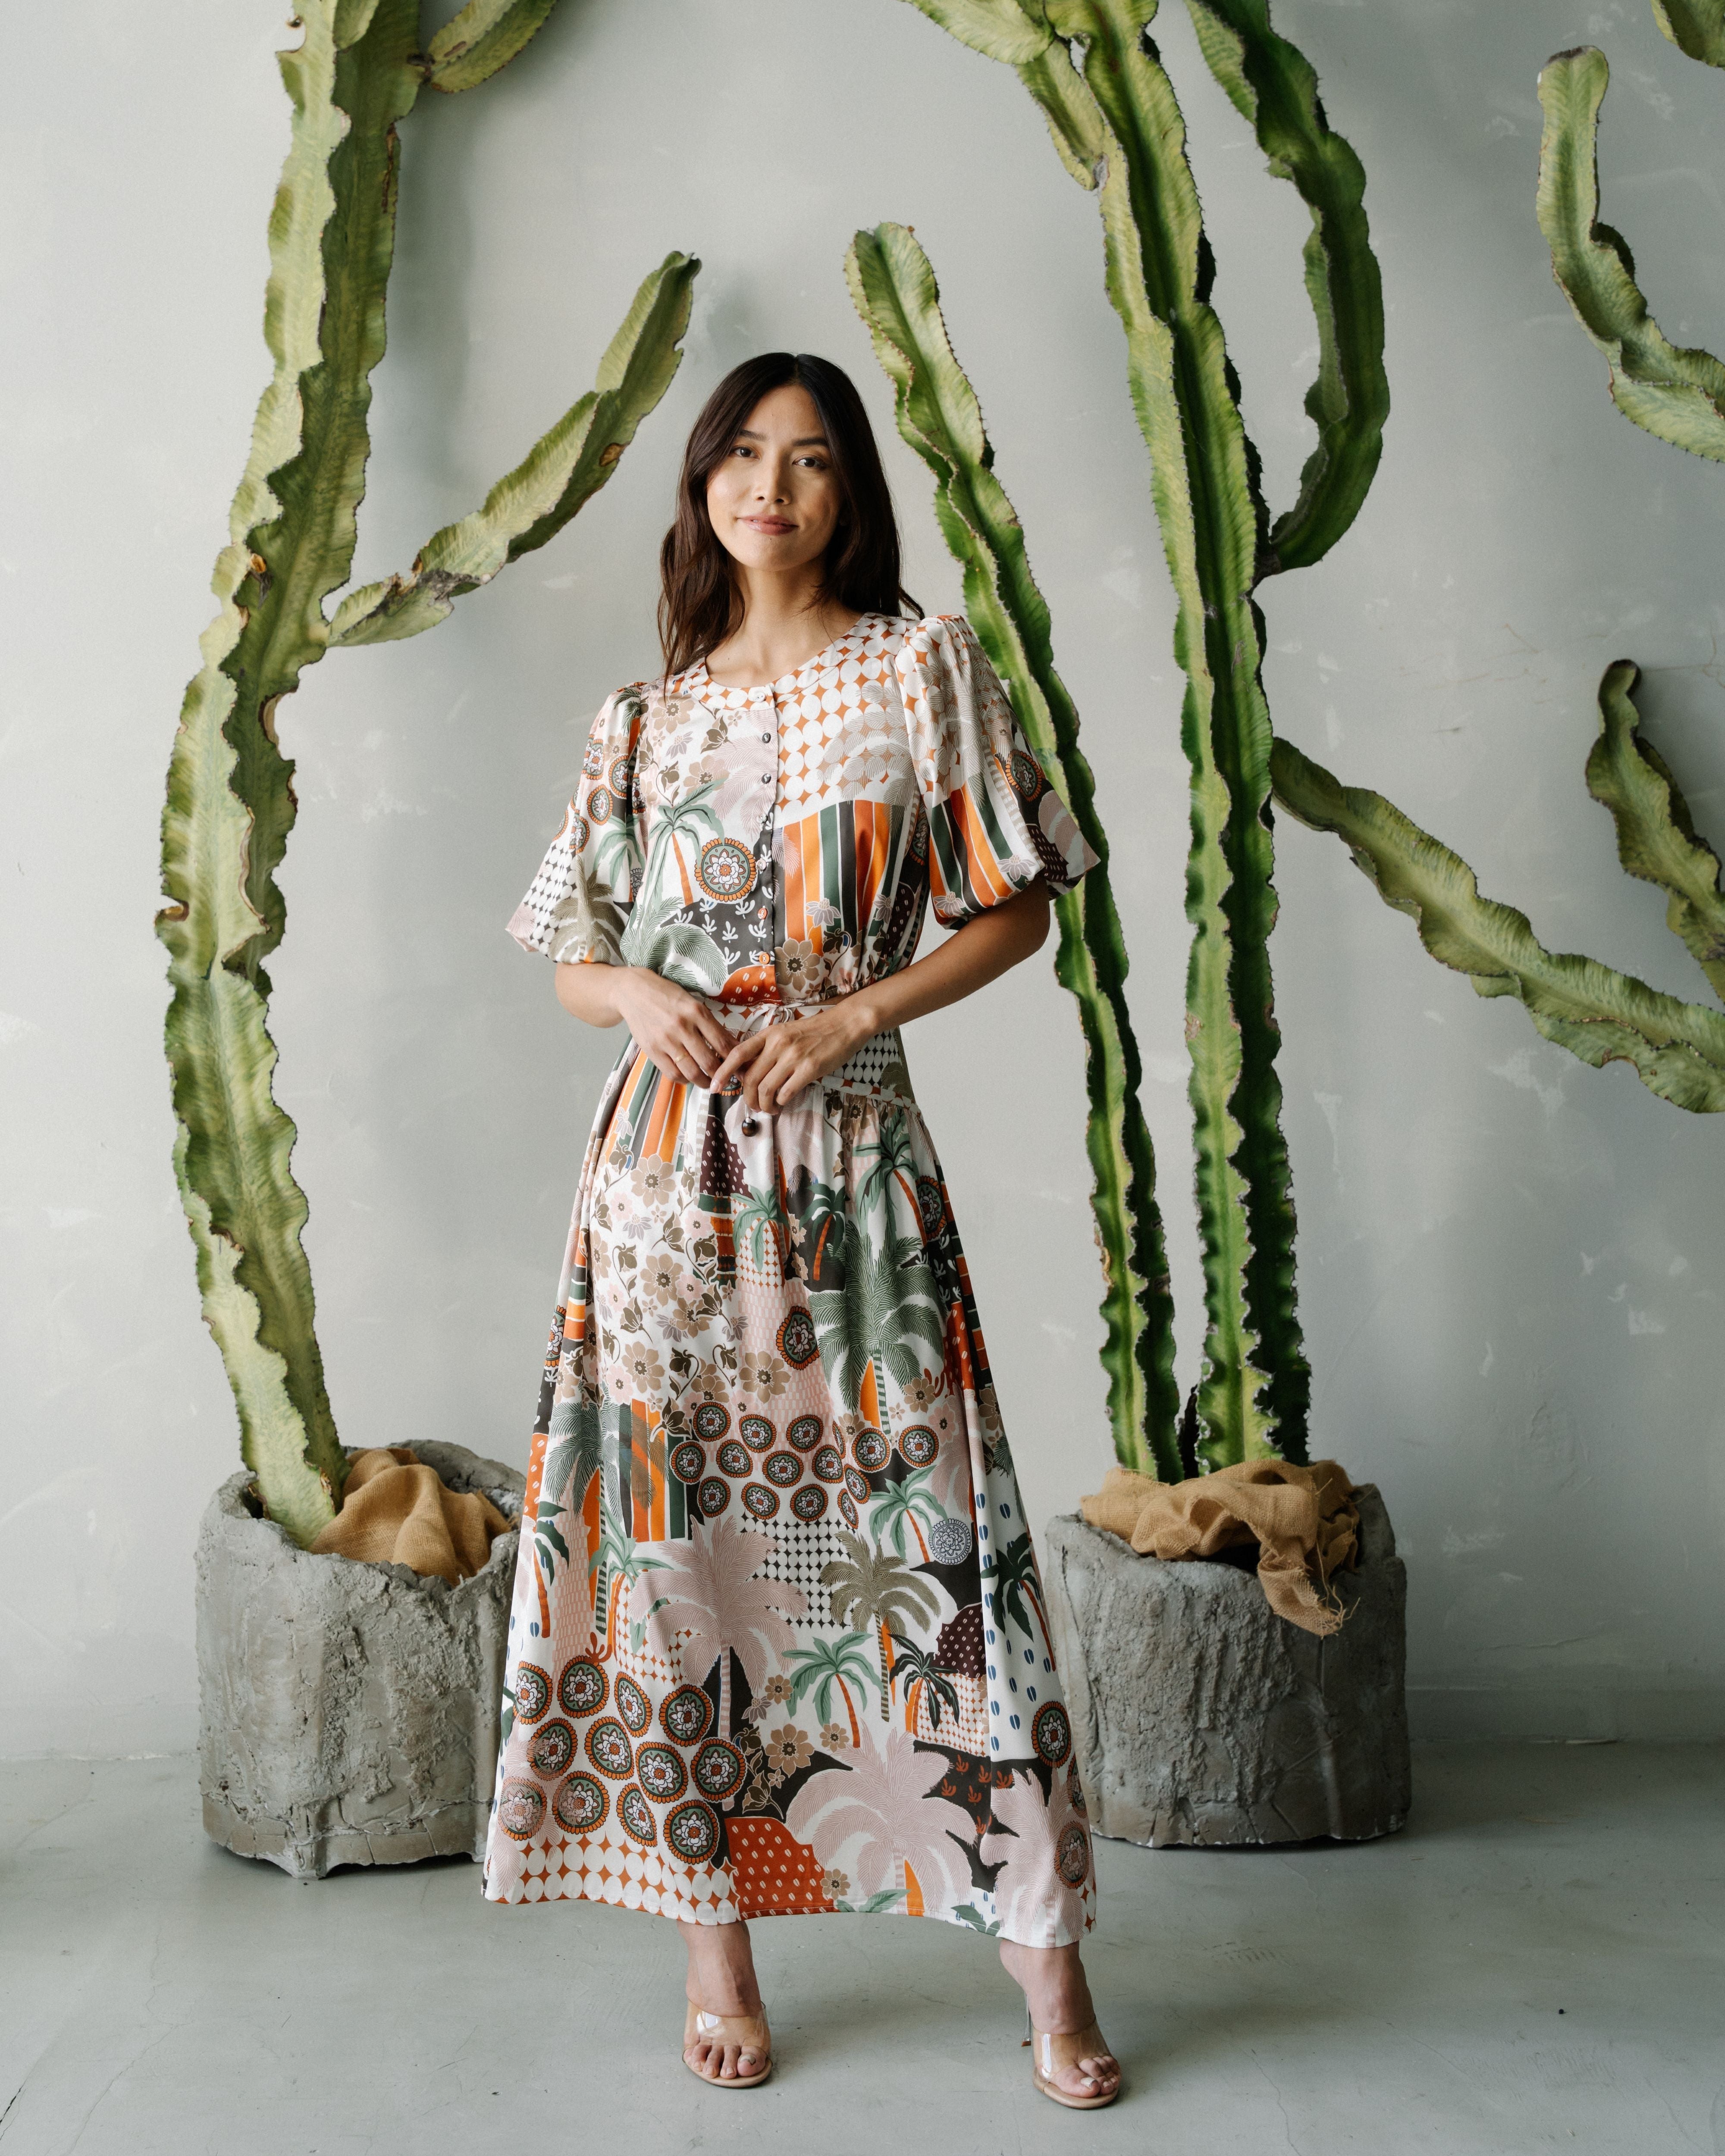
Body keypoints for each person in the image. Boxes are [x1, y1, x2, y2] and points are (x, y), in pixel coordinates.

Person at [482, 351, 1121, 2112]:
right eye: (746, 454)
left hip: (847, 1177)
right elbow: (566, 955)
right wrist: (626, 992)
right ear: (703, 485)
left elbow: (1020, 907)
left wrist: (845, 1021)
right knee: (686, 1571)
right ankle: (719, 1949)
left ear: (852, 495)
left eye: (816, 458)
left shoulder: (922, 666)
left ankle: (1045, 1966)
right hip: (659, 1195)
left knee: (938, 1554)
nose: (775, 484)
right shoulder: (641, 716)